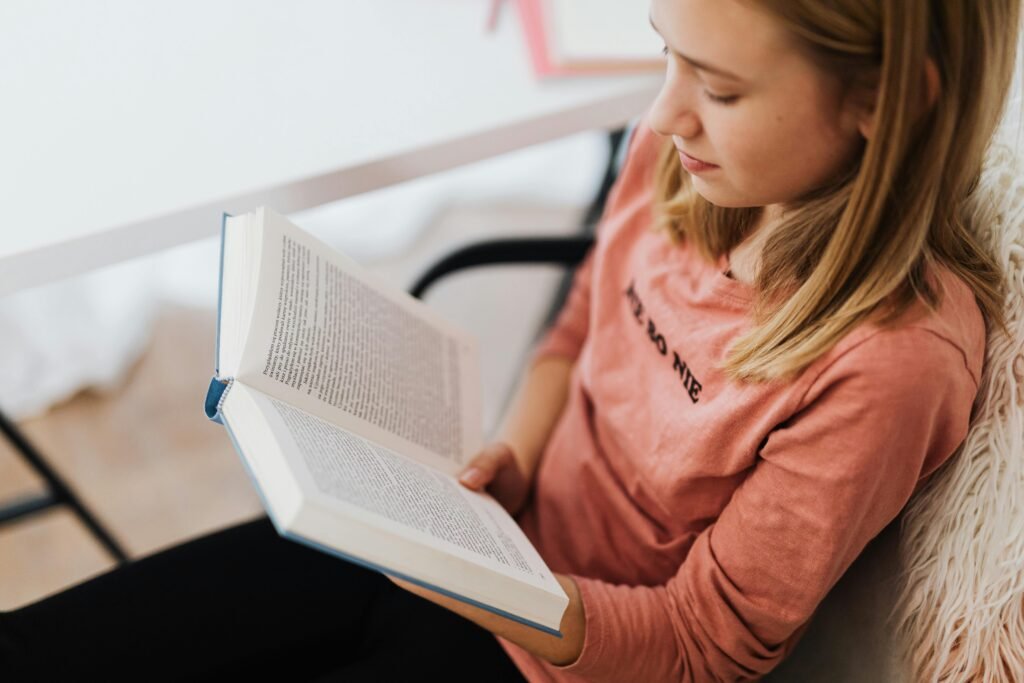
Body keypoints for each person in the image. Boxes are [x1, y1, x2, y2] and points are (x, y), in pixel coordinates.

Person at [2, 0, 1021, 680]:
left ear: (883, 103)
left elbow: (708, 642)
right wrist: (517, 454)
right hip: (480, 543)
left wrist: (493, 588)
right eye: (665, 52)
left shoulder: (887, 365)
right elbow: (576, 327)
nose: (664, 111)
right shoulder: (684, 160)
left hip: (557, 654)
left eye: (718, 88)